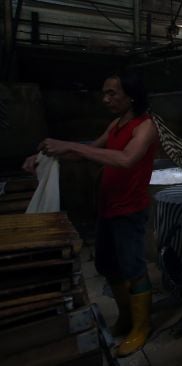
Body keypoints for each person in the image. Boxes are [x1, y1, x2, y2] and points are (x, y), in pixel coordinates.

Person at [22, 70, 159, 357]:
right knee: (107, 265)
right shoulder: (116, 124)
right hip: (108, 206)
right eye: (104, 93)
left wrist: (70, 145)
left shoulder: (144, 126)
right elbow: (89, 151)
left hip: (130, 211)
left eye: (112, 93)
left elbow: (125, 159)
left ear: (131, 95)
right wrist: (47, 155)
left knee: (133, 269)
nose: (105, 98)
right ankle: (126, 317)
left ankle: (142, 328)